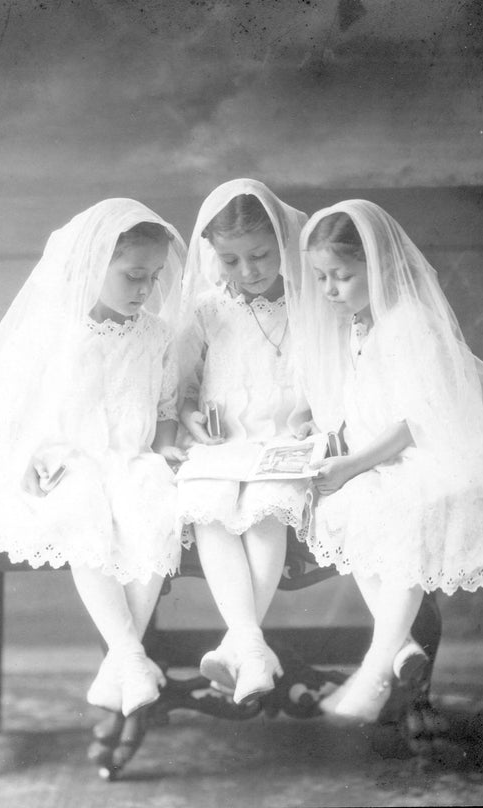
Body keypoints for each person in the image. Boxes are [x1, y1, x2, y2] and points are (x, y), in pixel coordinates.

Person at [0, 199, 187, 717]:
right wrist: (29, 458)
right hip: (65, 465)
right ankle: (130, 657)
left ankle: (121, 665)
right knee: (83, 501)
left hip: (131, 460)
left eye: (153, 278)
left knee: (155, 496)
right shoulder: (51, 331)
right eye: (132, 275)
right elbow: (9, 416)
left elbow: (166, 407)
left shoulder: (156, 335)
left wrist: (168, 444)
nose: (145, 290)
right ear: (93, 265)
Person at [292, 199, 483, 722]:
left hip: (433, 453)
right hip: (384, 456)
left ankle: (377, 669)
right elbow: (367, 403)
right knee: (346, 506)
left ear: (377, 268)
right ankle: (400, 646)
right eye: (321, 277)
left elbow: (414, 420)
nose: (330, 289)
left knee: (399, 509)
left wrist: (356, 462)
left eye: (343, 275)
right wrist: (322, 427)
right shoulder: (360, 324)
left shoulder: (410, 324)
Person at [176, 178, 309, 705]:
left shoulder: (308, 305)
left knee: (264, 509)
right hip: (221, 446)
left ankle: (240, 646)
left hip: (282, 444)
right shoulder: (208, 310)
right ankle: (251, 646)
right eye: (231, 261)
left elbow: (333, 380)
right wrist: (191, 421)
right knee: (210, 509)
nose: (248, 271)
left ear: (281, 243)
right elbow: (182, 391)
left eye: (259, 255)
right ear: (212, 256)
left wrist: (308, 419)